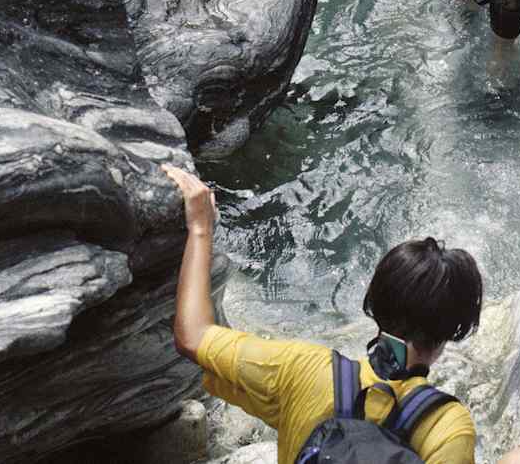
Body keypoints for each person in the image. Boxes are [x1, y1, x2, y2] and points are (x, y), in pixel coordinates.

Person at [162, 163, 484, 464]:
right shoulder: (449, 427)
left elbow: (192, 335)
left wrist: (201, 228)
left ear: (375, 303)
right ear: (450, 333)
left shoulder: (302, 370)